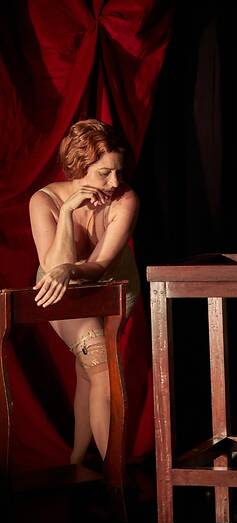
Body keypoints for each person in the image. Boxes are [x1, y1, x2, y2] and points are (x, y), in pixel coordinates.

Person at [28, 119, 140, 465]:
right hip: (61, 291)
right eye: (105, 173)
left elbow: (99, 267)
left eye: (118, 172)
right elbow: (54, 267)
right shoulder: (44, 200)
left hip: (114, 288)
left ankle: (77, 458)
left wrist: (70, 269)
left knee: (88, 369)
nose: (115, 182)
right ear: (79, 167)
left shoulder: (126, 199)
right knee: (100, 364)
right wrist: (66, 213)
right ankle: (115, 473)